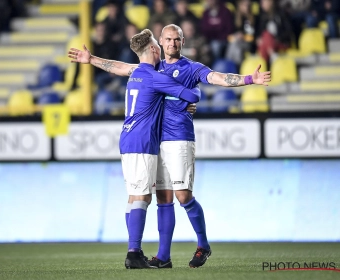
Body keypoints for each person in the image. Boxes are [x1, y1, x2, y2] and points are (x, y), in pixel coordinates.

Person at [68, 24, 271, 268]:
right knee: (163, 198)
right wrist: (91, 60)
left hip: (179, 137)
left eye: (177, 39)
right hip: (155, 141)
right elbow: (122, 67)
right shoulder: (153, 67)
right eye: (168, 39)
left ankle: (203, 244)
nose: (172, 43)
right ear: (160, 43)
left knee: (183, 195)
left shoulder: (192, 68)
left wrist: (250, 79)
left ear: (182, 42)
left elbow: (218, 78)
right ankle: (163, 257)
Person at [116, 29, 202, 269]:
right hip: (143, 141)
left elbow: (118, 67)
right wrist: (195, 95)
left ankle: (139, 251)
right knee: (142, 196)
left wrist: (91, 60)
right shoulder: (154, 76)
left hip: (128, 139)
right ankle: (134, 252)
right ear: (155, 48)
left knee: (134, 196)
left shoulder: (135, 74)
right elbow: (188, 93)